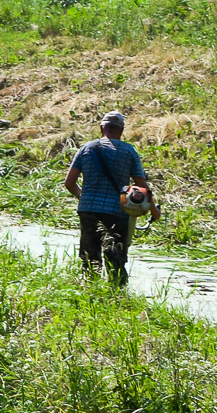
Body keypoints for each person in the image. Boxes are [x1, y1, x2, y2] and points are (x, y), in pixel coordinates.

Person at [64, 111, 152, 285]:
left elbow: (69, 183)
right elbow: (141, 187)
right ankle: (117, 295)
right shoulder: (129, 151)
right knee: (115, 257)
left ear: (101, 128)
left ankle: (90, 291)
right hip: (116, 211)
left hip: (88, 210)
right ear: (121, 130)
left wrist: (85, 197)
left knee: (89, 257)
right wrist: (154, 210)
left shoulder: (87, 149)